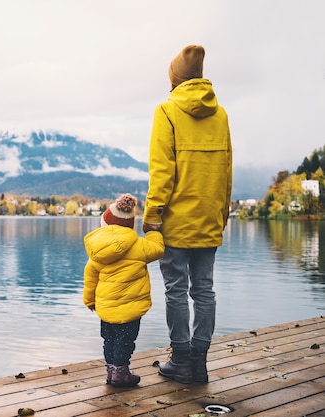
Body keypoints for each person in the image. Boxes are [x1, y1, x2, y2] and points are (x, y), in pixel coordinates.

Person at [142, 44, 233, 384]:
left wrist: (152, 217)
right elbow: (226, 170)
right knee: (204, 290)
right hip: (210, 217)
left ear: (175, 78)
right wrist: (222, 213)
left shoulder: (166, 111)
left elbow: (161, 171)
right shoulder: (220, 114)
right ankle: (200, 363)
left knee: (177, 291)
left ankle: (181, 360)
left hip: (176, 220)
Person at [83, 193, 164, 387]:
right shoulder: (139, 246)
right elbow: (158, 249)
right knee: (125, 342)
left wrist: (90, 301)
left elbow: (90, 277)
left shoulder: (97, 251)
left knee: (108, 340)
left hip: (105, 307)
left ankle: (111, 372)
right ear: (130, 225)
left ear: (105, 224)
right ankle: (121, 373)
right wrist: (152, 231)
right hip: (130, 309)